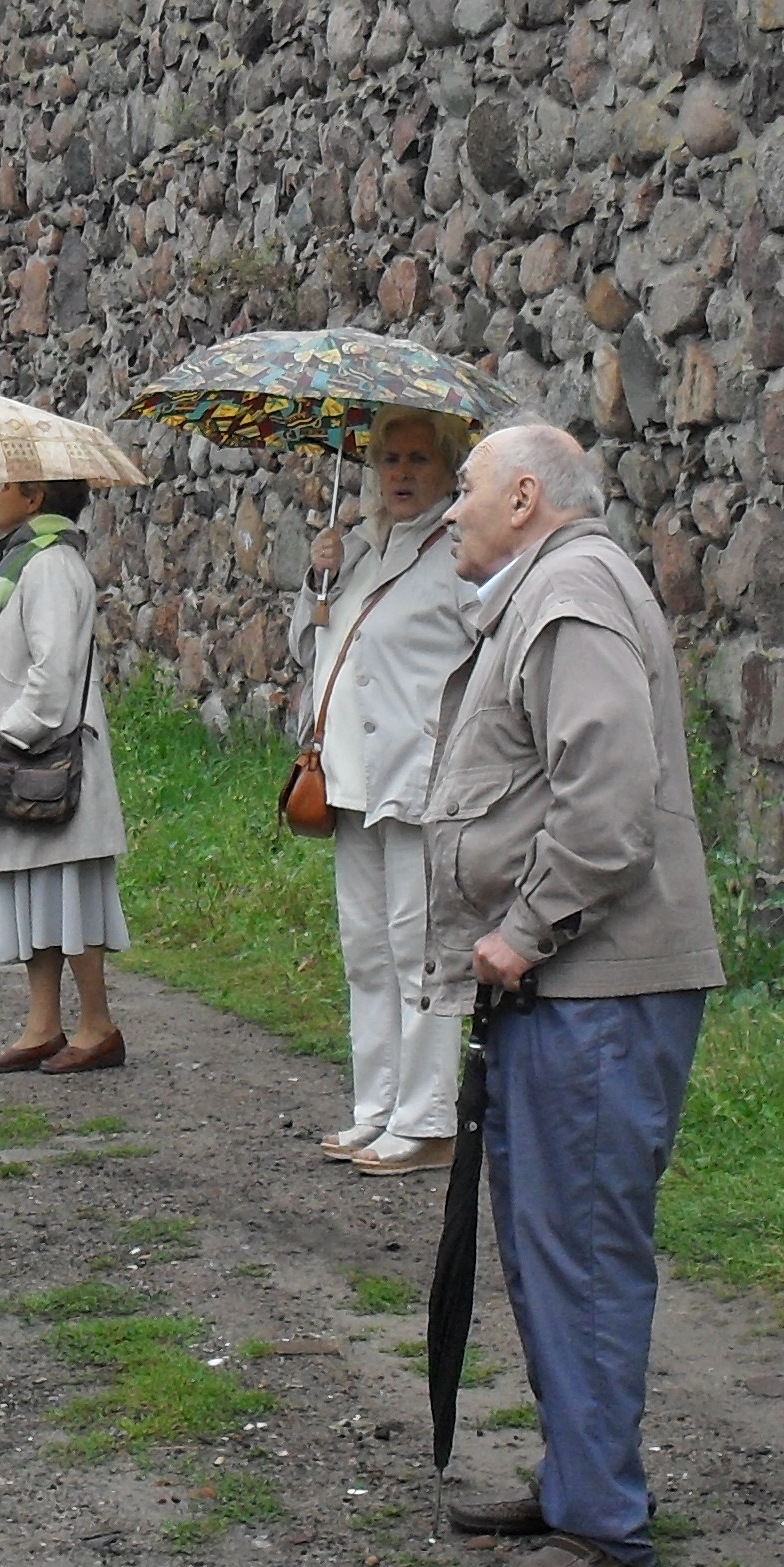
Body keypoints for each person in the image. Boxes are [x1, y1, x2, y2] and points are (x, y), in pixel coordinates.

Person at [424, 421, 725, 1567]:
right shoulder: (557, 589)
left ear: (524, 496)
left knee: (584, 1248)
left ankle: (601, 1520)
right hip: (574, 989)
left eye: (464, 488)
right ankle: (579, 1483)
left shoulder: (572, 591)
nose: (449, 508)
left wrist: (523, 928)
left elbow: (607, 801)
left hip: (594, 988)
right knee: (554, 1243)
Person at [291, 408, 477, 1175]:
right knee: (365, 947)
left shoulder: (459, 555)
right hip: (350, 780)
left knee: (419, 949)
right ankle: (378, 1106)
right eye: (389, 460)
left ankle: (428, 1117)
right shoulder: (362, 550)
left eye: (418, 460)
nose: (400, 474)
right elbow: (312, 648)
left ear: (448, 471)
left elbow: (491, 658)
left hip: (421, 778)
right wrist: (320, 579)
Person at [0, 476, 129, 1074]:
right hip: (31, 754)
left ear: (36, 498)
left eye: (6, 486)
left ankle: (97, 1026)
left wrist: (12, 736)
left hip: (48, 755)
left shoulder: (49, 567)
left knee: (69, 888)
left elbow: (53, 673)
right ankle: (43, 1025)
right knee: (33, 885)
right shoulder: (21, 565)